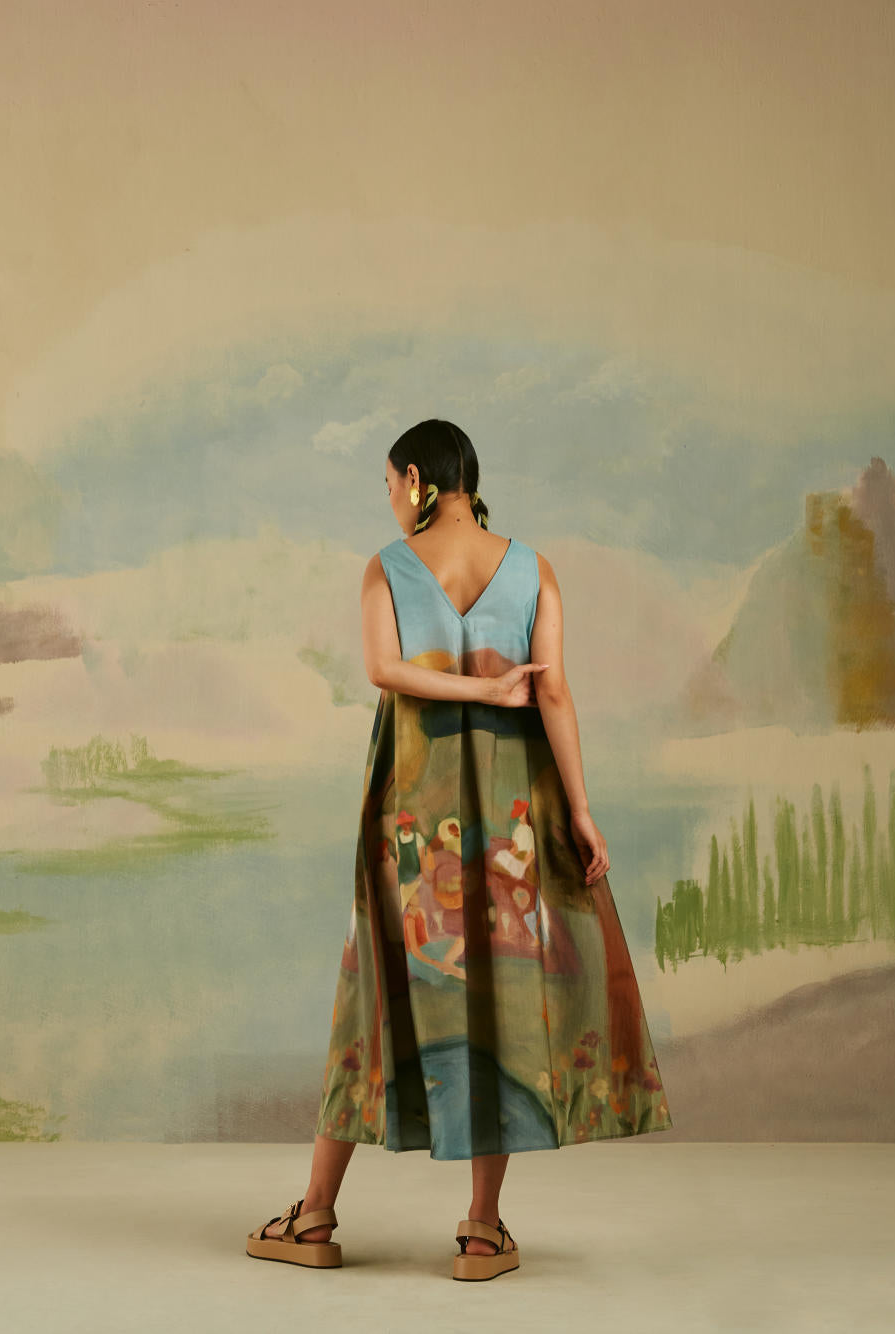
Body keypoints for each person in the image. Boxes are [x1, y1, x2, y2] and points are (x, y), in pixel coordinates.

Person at [247, 420, 673, 1279]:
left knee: (374, 992)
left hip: (413, 813)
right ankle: (482, 1230)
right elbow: (555, 693)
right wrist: (581, 810)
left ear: (416, 479)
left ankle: (317, 1214)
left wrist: (465, 689)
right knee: (504, 998)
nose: (389, 499)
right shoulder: (534, 569)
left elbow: (384, 670)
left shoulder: (388, 567)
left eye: (388, 484)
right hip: (515, 813)